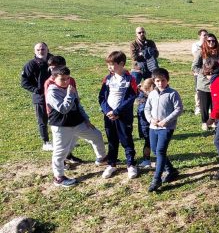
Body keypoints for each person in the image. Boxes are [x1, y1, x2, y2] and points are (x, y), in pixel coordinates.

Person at [46, 67, 107, 187]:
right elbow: (63, 109)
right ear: (54, 79)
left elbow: (78, 105)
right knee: (60, 151)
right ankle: (59, 178)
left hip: (77, 123)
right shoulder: (52, 92)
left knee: (96, 135)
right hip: (62, 126)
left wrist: (86, 120)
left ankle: (102, 159)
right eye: (62, 79)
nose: (66, 81)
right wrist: (69, 94)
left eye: (68, 78)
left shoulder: (70, 88)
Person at [97, 51, 140, 180]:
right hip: (109, 115)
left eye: (112, 64)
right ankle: (112, 164)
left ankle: (131, 164)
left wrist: (117, 112)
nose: (109, 67)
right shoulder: (108, 78)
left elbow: (132, 97)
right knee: (112, 140)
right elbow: (101, 97)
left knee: (126, 140)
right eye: (108, 65)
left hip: (123, 116)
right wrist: (108, 111)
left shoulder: (130, 79)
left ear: (121, 64)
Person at [143, 68, 184, 192]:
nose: (160, 83)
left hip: (166, 127)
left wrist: (166, 121)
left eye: (163, 80)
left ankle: (157, 178)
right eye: (158, 81)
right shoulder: (152, 94)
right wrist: (151, 119)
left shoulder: (172, 93)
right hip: (153, 127)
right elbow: (147, 109)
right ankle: (171, 170)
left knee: (160, 150)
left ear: (167, 80)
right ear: (154, 81)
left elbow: (178, 109)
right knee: (155, 150)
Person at [22, 42, 53, 151]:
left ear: (47, 49)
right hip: (40, 98)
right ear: (35, 51)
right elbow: (24, 82)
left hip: (56, 95)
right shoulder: (31, 64)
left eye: (43, 49)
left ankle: (60, 140)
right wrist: (37, 90)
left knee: (57, 118)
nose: (41, 51)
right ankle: (46, 142)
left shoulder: (54, 61)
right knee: (42, 120)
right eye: (38, 50)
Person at [193, 33, 219, 131]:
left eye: (213, 41)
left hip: (216, 83)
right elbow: (194, 67)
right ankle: (204, 122)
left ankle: (213, 121)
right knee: (204, 105)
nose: (211, 43)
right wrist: (205, 73)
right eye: (209, 41)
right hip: (203, 83)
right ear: (206, 42)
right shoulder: (201, 52)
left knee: (215, 104)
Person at [136, 78, 155, 168]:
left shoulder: (142, 95)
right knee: (149, 142)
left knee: (150, 142)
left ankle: (147, 160)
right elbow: (143, 111)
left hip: (146, 124)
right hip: (147, 124)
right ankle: (146, 160)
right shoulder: (144, 97)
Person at [191, 29, 208, 115]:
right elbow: (196, 56)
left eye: (206, 35)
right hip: (199, 71)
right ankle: (198, 106)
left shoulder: (209, 44)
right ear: (199, 36)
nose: (205, 36)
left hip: (208, 71)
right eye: (204, 35)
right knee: (198, 89)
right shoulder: (196, 45)